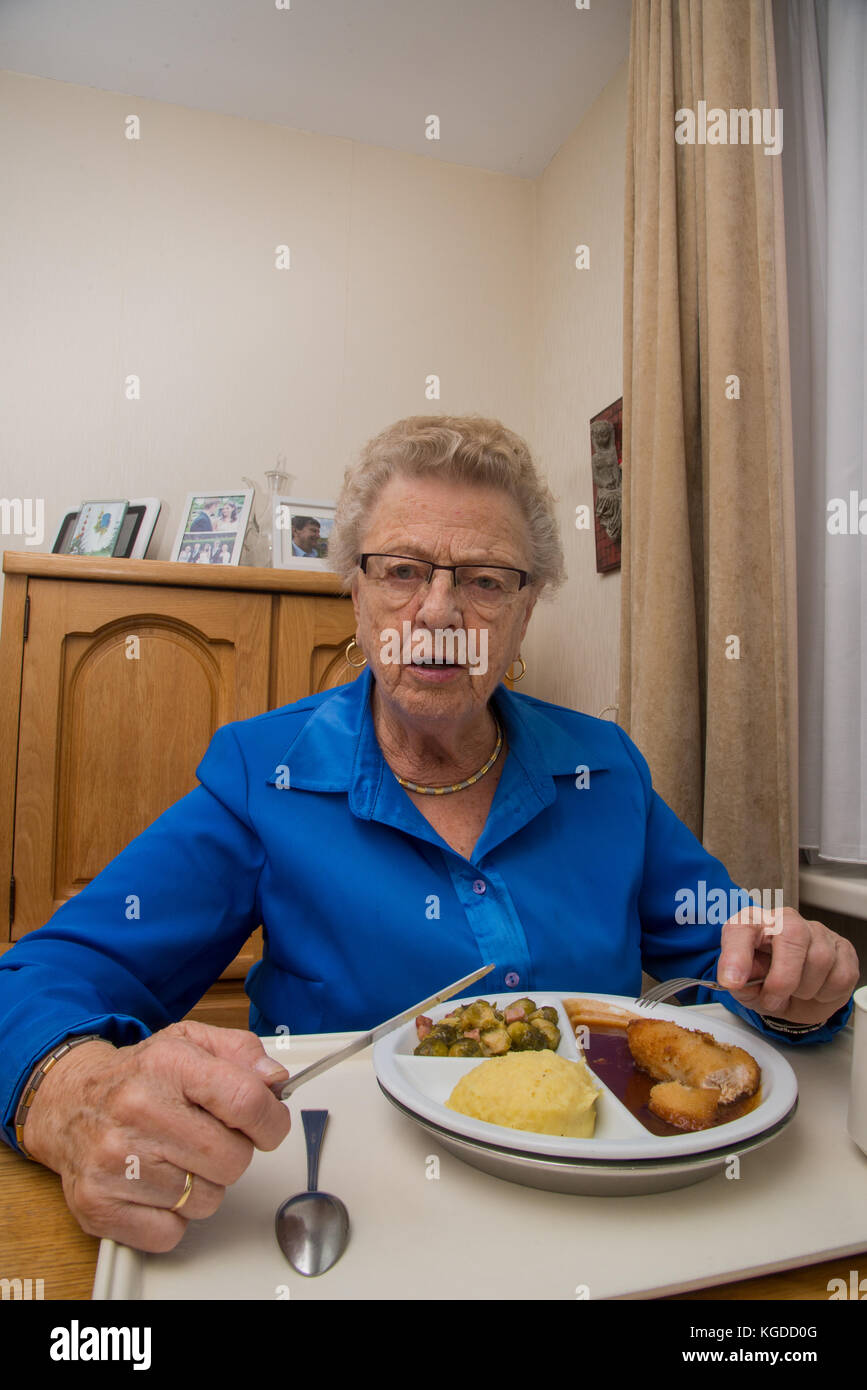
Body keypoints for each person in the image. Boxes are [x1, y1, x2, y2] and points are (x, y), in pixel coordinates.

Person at [0, 416, 858, 1255]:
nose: (438, 611)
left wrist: (794, 981)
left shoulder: (606, 769)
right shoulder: (265, 775)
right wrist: (70, 1089)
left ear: (527, 611)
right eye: (402, 570)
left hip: (616, 1210)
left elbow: (730, 961)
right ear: (355, 590)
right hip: (352, 1215)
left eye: (485, 580)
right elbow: (38, 976)